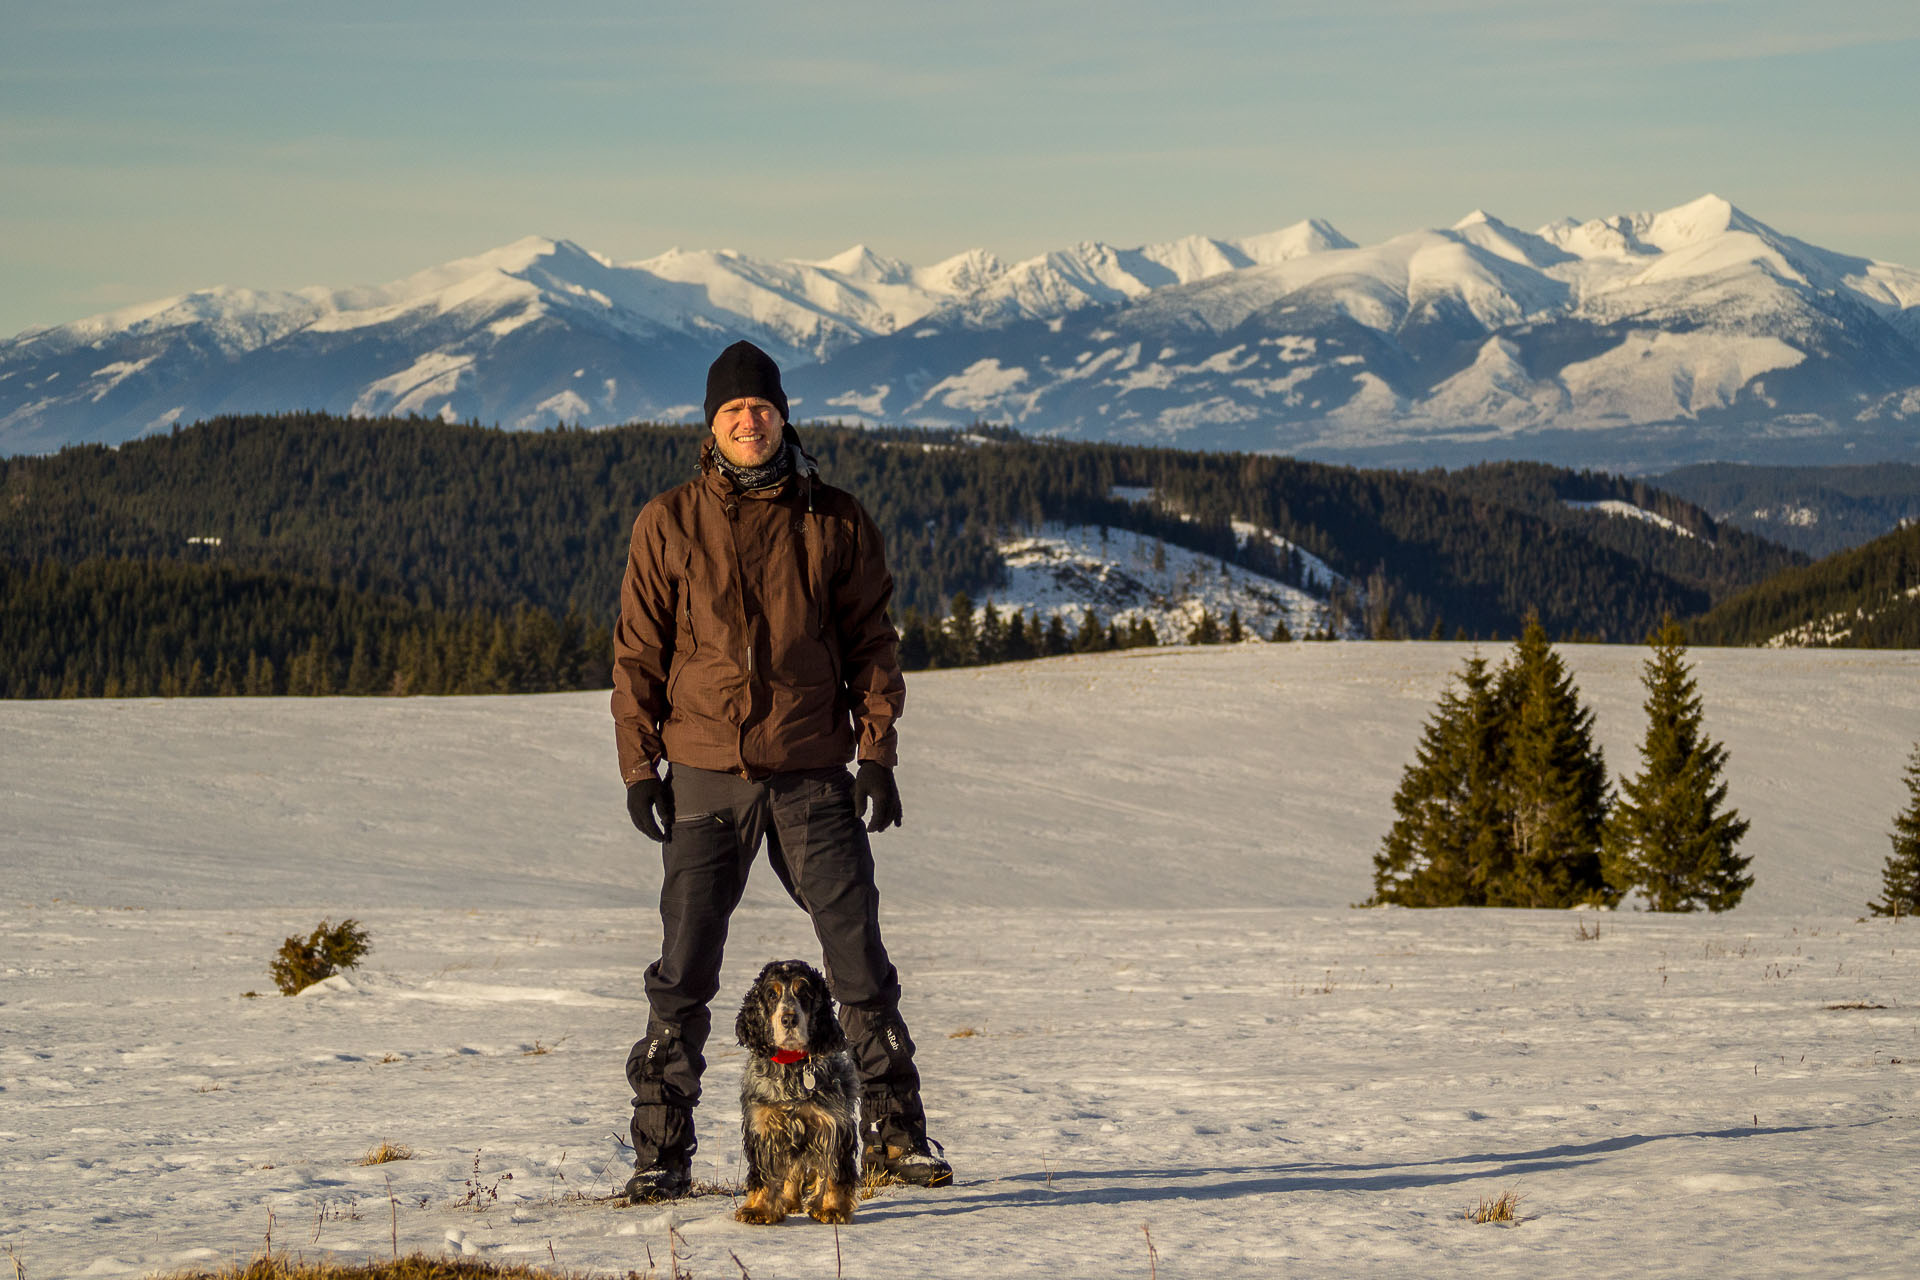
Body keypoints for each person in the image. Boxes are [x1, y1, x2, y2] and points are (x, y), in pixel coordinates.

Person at [611, 339, 952, 1202]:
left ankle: (896, 1139)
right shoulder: (670, 522)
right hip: (703, 775)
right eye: (733, 412)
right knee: (683, 973)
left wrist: (876, 754)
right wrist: (639, 767)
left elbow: (874, 642)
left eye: (761, 408)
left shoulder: (833, 518)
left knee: (858, 963)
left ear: (782, 413)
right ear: (710, 426)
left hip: (810, 771)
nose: (749, 422)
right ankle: (661, 1153)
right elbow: (637, 655)